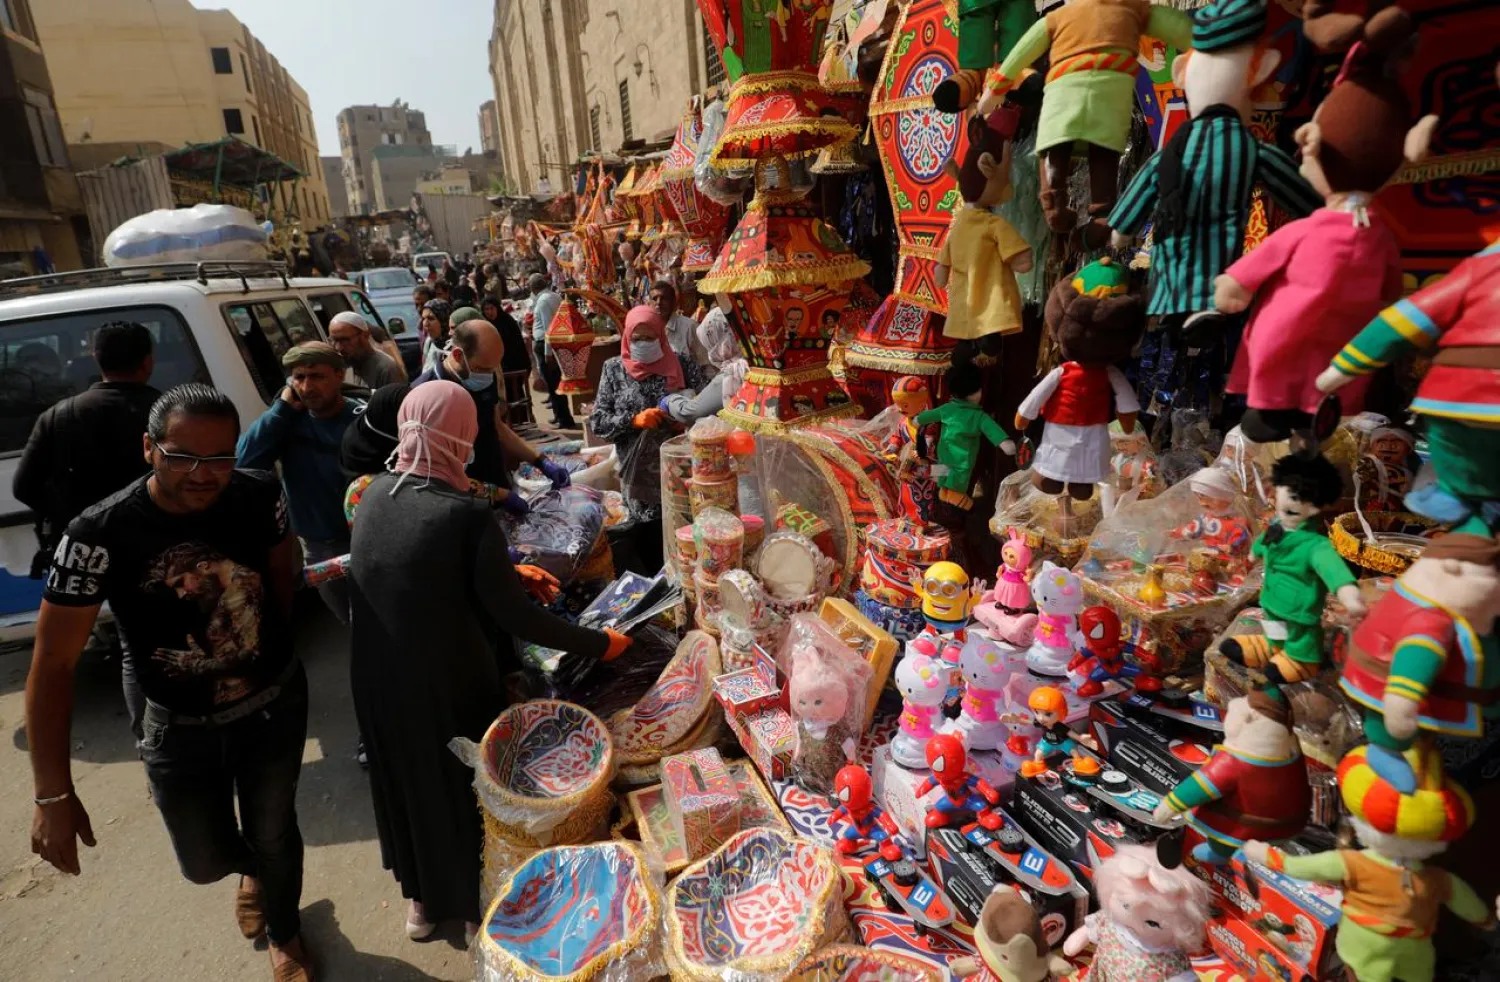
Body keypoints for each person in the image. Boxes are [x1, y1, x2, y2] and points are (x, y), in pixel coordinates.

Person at [27, 384, 313, 982]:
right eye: (182, 455)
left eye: (220, 456)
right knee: (203, 861)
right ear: (148, 449)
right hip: (177, 726)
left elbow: (282, 573)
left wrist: (265, 652)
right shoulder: (97, 534)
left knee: (274, 827)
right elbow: (53, 665)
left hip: (272, 705)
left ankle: (286, 934)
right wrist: (53, 794)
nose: (203, 474)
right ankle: (252, 868)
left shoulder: (259, 492)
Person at [349, 381, 630, 940]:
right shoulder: (464, 513)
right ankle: (476, 904)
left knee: (407, 782)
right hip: (446, 679)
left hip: (379, 679)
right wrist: (604, 644)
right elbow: (518, 619)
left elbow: (417, 571)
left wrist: (506, 568)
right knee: (460, 787)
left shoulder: (375, 492)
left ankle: (423, 904)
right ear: (460, 437)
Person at [14, 321, 161, 567]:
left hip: (86, 554)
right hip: (159, 547)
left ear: (96, 358)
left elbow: (25, 487)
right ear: (148, 362)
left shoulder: (58, 416)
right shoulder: (173, 413)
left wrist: (78, 514)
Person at [237, 342, 365, 624]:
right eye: (299, 377)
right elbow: (244, 463)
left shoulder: (360, 419)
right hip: (319, 546)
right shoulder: (286, 421)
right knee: (351, 622)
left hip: (366, 540)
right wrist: (280, 411)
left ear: (339, 375)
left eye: (317, 376)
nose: (307, 387)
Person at [411, 317, 571, 512]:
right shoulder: (425, 395)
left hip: (497, 483)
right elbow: (435, 475)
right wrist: (496, 494)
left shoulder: (484, 376)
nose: (488, 375)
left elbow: (497, 426)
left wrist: (541, 461)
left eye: (493, 368)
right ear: (458, 355)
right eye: (483, 369)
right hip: (461, 505)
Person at [589, 306, 706, 570]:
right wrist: (633, 420)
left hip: (683, 473)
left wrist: (687, 419)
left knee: (687, 542)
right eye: (637, 338)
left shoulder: (683, 364)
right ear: (627, 337)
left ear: (661, 335)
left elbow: (707, 406)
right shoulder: (613, 370)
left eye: (650, 337)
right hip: (639, 480)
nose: (643, 343)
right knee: (651, 546)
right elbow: (598, 422)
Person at [661, 306, 743, 425]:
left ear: (719, 344)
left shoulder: (733, 374)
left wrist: (668, 401)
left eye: (710, 346)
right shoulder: (752, 362)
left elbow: (690, 413)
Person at [526, 273, 576, 429]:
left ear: (533, 288)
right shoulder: (553, 296)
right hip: (551, 344)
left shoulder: (544, 301)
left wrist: (548, 353)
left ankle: (564, 419)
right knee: (554, 383)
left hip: (546, 346)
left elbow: (550, 328)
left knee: (553, 384)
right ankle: (559, 415)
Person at [328, 311, 403, 390]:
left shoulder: (386, 368)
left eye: (344, 340)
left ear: (365, 335)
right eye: (333, 341)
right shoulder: (340, 366)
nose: (338, 347)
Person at [650, 279, 710, 369]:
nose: (658, 302)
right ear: (649, 302)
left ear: (673, 302)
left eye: (664, 298)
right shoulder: (647, 330)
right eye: (654, 299)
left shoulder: (690, 327)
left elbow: (706, 364)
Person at [419, 298, 452, 374]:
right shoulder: (429, 342)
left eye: (431, 318)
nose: (425, 323)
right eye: (423, 318)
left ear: (443, 320)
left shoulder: (455, 347)